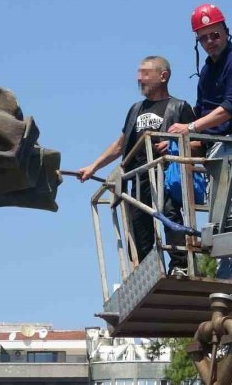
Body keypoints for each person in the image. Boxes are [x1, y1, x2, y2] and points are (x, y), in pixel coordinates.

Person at [78, 56, 196, 274]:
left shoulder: (179, 107)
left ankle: (180, 266)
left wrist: (173, 145)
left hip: (166, 174)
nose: (139, 78)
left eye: (145, 73)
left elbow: (199, 143)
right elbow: (121, 144)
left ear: (163, 76)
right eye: (138, 73)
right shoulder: (135, 109)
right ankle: (143, 272)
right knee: (138, 226)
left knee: (170, 215)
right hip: (139, 178)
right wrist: (94, 166)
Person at [169, 3, 232, 280]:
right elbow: (204, 112)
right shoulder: (207, 72)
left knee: (227, 208)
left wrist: (190, 128)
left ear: (226, 32)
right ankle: (227, 269)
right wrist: (185, 141)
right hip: (215, 145)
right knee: (219, 210)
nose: (210, 41)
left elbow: (229, 109)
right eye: (203, 37)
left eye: (214, 35)